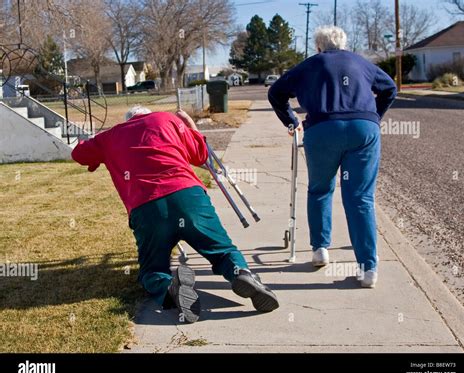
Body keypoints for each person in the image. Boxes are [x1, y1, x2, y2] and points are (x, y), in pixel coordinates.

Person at [71, 106, 279, 323]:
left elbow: (78, 153)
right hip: (189, 198)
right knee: (223, 250)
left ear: (128, 119)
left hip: (147, 208)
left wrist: (98, 149)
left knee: (152, 269)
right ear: (148, 113)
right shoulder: (168, 120)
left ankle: (169, 287)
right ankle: (241, 273)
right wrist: (191, 126)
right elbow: (200, 155)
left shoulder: (111, 135)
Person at [268, 26, 397, 288]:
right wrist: (372, 117)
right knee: (360, 197)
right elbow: (389, 88)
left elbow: (276, 93)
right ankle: (368, 269)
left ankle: (320, 250)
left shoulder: (308, 65)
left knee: (320, 189)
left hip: (322, 129)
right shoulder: (361, 62)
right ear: (345, 44)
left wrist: (292, 121)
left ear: (318, 47)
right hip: (363, 130)